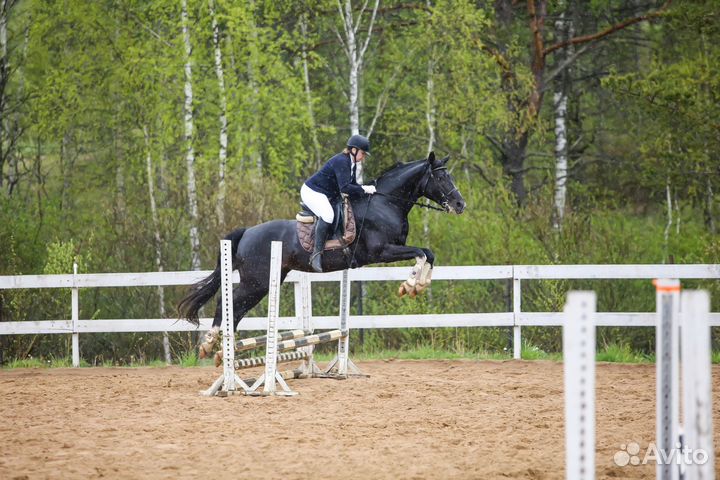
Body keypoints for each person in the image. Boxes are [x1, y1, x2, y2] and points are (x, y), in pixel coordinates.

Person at [301, 134, 376, 272]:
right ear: (353, 150)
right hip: (312, 192)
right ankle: (316, 255)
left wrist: (364, 189)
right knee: (328, 215)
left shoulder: (351, 163)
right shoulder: (342, 161)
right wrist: (364, 189)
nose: (363, 157)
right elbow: (345, 187)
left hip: (325, 193)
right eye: (363, 153)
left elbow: (352, 184)